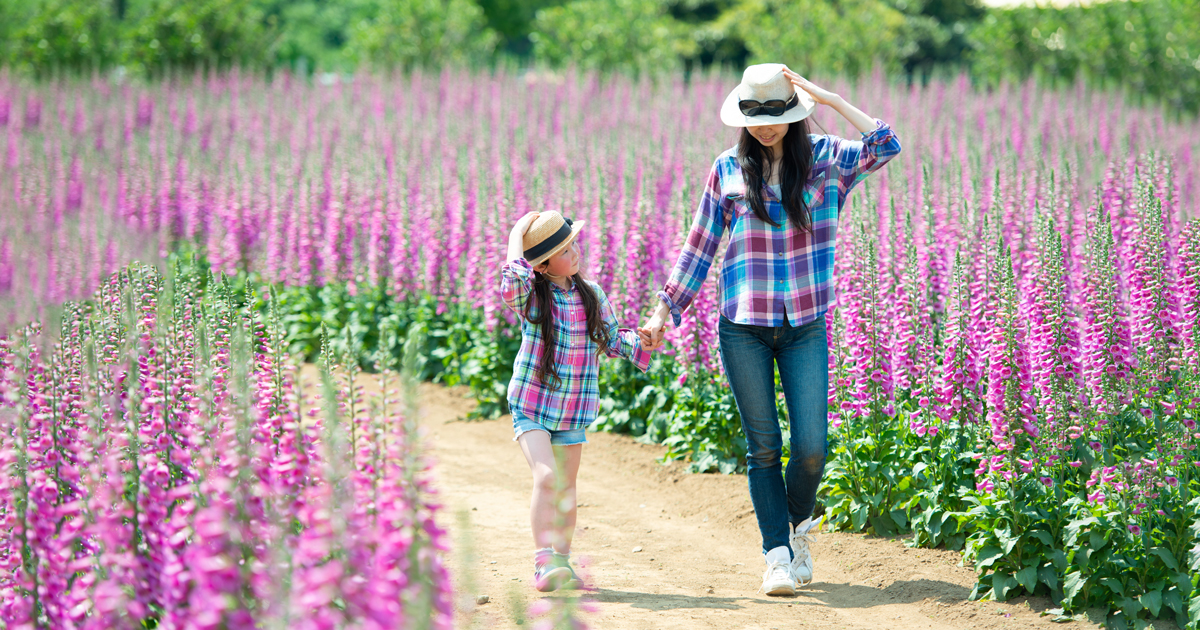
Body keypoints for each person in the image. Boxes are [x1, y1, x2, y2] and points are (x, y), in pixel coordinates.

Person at [638, 63, 902, 596]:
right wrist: (664, 310)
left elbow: (885, 145)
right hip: (743, 326)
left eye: (775, 114)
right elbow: (701, 244)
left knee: (811, 447)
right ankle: (777, 555)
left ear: (795, 113)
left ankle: (795, 528)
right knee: (764, 447)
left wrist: (828, 98)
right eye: (753, 115)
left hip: (805, 323)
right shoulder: (728, 168)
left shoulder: (827, 161)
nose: (763, 126)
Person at [500, 210, 655, 592]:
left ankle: (562, 563)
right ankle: (543, 562)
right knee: (547, 477)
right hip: (533, 404)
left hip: (572, 409)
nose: (575, 252)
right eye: (565, 249)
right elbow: (509, 283)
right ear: (543, 263)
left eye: (573, 245)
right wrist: (519, 234)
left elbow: (612, 339)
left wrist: (645, 340)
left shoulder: (592, 294)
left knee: (567, 487)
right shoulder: (532, 295)